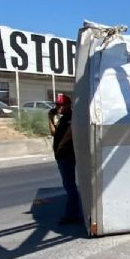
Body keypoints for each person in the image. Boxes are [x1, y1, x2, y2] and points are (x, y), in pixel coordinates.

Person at [50, 94, 83, 224]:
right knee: (68, 184)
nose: (58, 107)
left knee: (69, 185)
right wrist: (50, 118)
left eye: (60, 105)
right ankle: (73, 212)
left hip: (66, 155)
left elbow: (69, 135)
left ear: (68, 105)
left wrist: (60, 148)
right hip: (62, 155)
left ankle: (73, 213)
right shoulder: (63, 119)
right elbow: (53, 132)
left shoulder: (70, 117)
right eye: (57, 105)